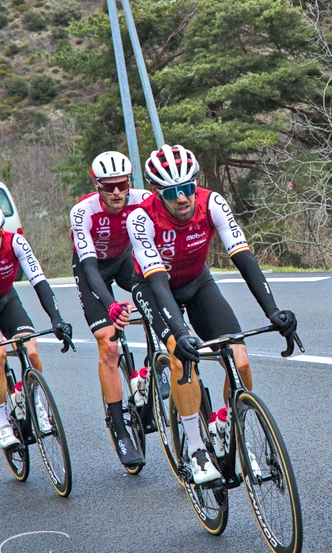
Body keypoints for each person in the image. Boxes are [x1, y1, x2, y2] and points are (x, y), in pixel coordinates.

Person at [126, 144, 297, 485]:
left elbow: (243, 257)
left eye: (187, 188)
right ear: (159, 193)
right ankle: (195, 448)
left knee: (239, 359)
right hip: (153, 286)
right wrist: (179, 330)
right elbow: (158, 281)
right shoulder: (140, 218)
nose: (182, 198)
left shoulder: (212, 202)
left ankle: (224, 424)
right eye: (173, 192)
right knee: (180, 357)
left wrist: (273, 310)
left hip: (196, 281)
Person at [70, 150, 167, 469]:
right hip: (92, 268)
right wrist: (110, 304)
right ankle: (120, 427)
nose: (116, 192)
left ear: (130, 182)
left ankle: (154, 363)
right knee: (109, 346)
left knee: (158, 299)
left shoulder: (143, 199)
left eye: (121, 184)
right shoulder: (83, 211)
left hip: (125, 259)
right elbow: (89, 267)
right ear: (97, 185)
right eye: (107, 186)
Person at [0, 201, 73, 451]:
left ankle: (37, 405)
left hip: (7, 299)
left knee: (31, 350)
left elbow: (39, 280)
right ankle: (2, 424)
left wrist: (56, 318)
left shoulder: (16, 242)